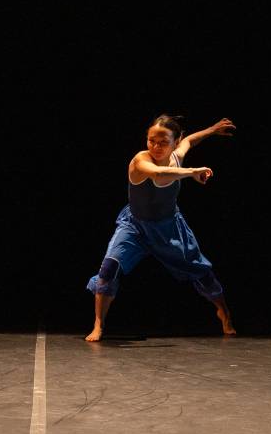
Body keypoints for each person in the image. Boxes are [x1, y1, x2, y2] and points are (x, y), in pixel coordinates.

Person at [85, 114, 237, 341]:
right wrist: (192, 172)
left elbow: (190, 141)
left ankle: (224, 313)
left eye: (164, 142)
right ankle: (99, 324)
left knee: (199, 268)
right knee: (108, 268)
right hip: (134, 227)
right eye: (151, 140)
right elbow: (158, 173)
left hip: (169, 227)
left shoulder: (178, 155)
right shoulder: (140, 160)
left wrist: (212, 130)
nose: (156, 146)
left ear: (175, 142)